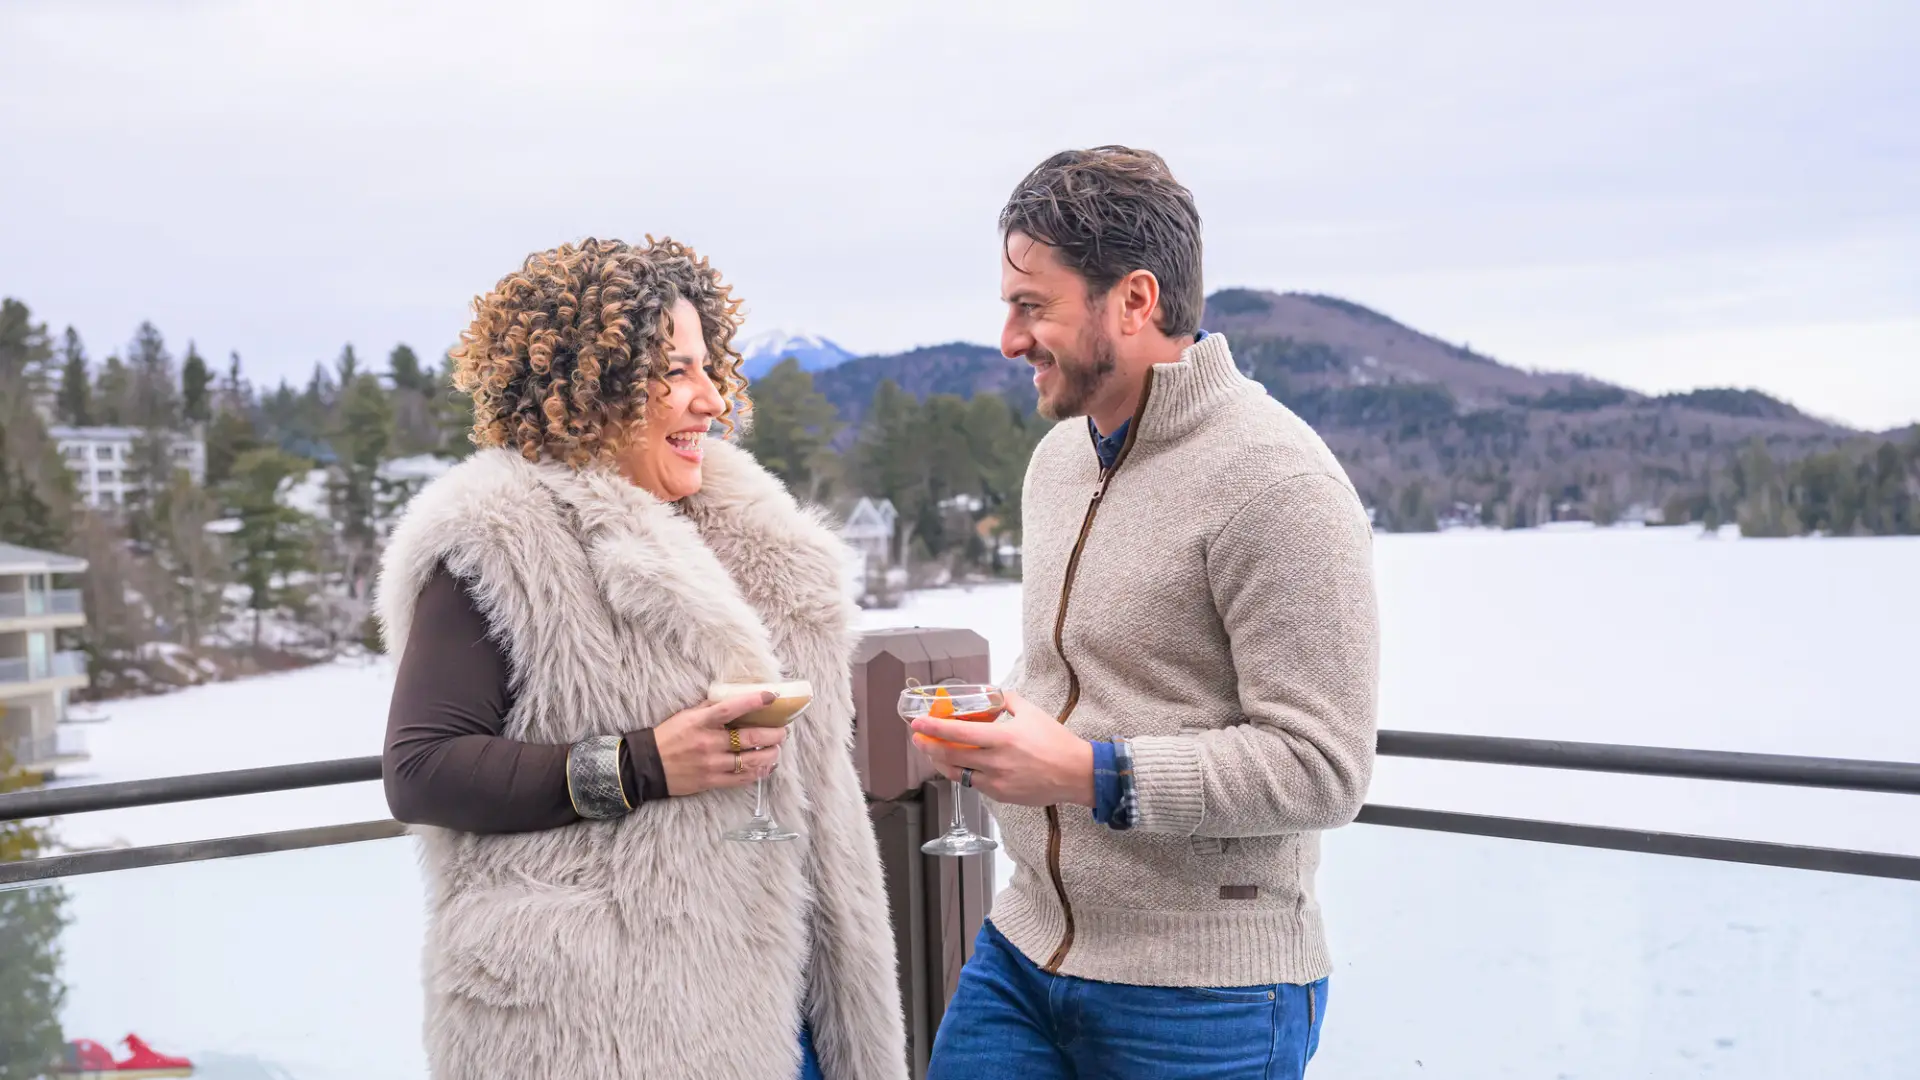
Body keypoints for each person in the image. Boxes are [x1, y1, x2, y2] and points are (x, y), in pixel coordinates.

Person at [375, 237, 907, 1080]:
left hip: (791, 1001)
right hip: (609, 1023)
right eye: (675, 373)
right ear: (588, 385)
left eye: (709, 368)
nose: (711, 400)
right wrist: (640, 763)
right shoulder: (498, 537)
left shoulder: (750, 534)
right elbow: (421, 770)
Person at [911, 147, 1381, 1078]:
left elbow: (1325, 768)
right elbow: (1092, 676)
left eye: (1031, 306)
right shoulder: (1058, 462)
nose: (1008, 340)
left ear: (1134, 301)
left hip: (1206, 999)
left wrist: (1093, 773)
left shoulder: (1280, 483)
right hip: (1023, 950)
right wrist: (1001, 731)